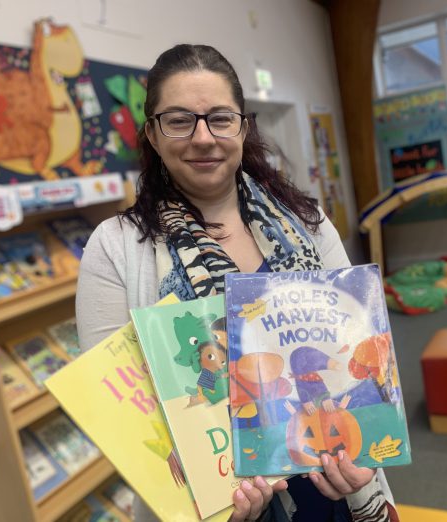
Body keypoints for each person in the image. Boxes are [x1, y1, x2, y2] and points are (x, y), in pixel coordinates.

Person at [76, 44, 398, 522]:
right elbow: (122, 409)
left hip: (332, 478)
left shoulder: (306, 223)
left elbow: (360, 351)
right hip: (214, 503)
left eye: (220, 118)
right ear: (152, 133)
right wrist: (213, 493)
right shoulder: (116, 247)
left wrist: (364, 473)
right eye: (180, 120)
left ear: (243, 128)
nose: (203, 137)